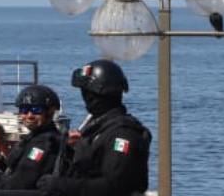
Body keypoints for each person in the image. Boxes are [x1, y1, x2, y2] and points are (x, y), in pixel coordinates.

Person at [35, 60, 150, 196]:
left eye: (85, 93)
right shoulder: (98, 130)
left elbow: (113, 187)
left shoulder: (122, 134)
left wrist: (59, 185)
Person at [0, 85, 63, 190]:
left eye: (36, 110)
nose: (29, 115)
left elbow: (21, 183)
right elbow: (19, 169)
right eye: (24, 110)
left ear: (50, 112)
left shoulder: (43, 144)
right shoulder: (34, 136)